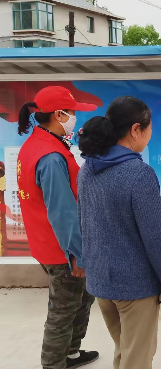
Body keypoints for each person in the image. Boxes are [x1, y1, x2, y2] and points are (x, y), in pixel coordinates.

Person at [77, 96, 161, 369]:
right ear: (136, 129)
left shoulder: (88, 168)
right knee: (137, 358)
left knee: (125, 350)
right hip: (134, 287)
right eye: (149, 128)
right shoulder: (138, 174)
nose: (150, 134)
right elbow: (156, 235)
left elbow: (84, 222)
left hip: (102, 282)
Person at [16, 86, 99, 369]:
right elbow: (62, 212)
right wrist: (76, 254)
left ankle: (71, 353)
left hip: (47, 243)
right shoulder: (50, 156)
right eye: (72, 112)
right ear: (59, 115)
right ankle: (53, 363)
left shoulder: (37, 144)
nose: (75, 118)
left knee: (81, 299)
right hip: (62, 249)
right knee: (63, 309)